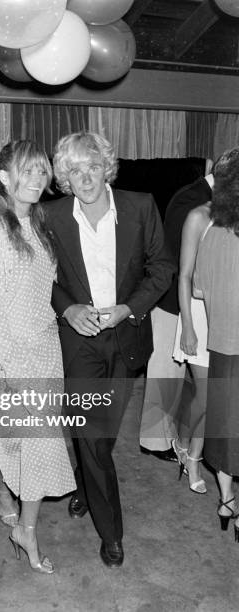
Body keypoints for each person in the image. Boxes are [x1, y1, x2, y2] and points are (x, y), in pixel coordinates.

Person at [46, 131, 174, 567]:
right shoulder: (51, 216)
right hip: (79, 342)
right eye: (75, 170)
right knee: (94, 438)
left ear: (107, 167)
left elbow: (162, 269)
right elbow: (39, 276)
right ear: (64, 177)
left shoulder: (140, 207)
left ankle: (85, 486)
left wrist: (129, 309)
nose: (85, 178)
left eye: (93, 167)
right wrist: (67, 309)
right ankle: (112, 531)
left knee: (98, 435)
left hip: (126, 337)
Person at [0, 140, 75, 574]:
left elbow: (45, 292)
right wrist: (14, 370)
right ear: (4, 177)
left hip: (45, 347)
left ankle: (24, 528)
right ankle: (20, 521)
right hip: (7, 351)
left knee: (42, 449)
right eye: (27, 171)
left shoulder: (40, 224)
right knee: (19, 445)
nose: (37, 178)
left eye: (42, 171)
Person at [139, 164, 214, 457]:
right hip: (172, 299)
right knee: (164, 374)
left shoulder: (198, 192)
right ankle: (154, 443)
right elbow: (180, 255)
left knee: (174, 374)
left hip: (182, 299)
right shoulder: (193, 199)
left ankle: (166, 437)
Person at [195, 146, 239, 542]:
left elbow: (198, 289)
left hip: (224, 344)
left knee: (226, 426)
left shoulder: (214, 233)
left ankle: (227, 500)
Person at [170, 198, 212, 494]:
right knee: (208, 394)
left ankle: (190, 453)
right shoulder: (198, 216)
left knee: (215, 396)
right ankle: (186, 450)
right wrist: (187, 326)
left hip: (225, 314)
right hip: (196, 314)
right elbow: (184, 276)